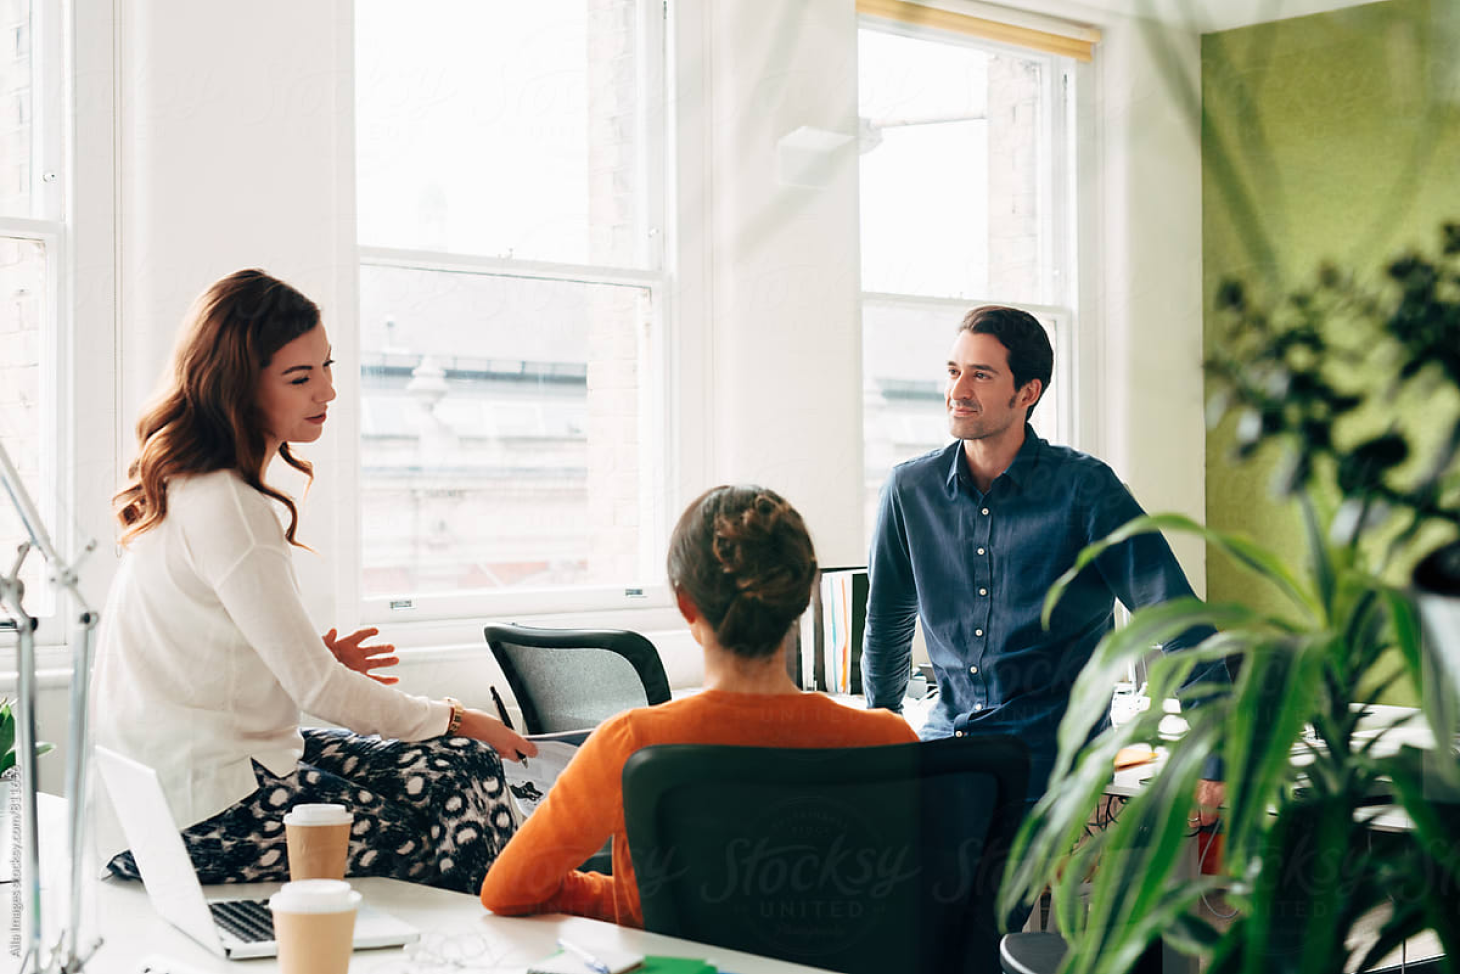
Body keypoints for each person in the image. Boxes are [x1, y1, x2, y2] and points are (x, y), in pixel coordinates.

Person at [92, 269, 537, 894]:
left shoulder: (189, 486)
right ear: (237, 388)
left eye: (326, 366)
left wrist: (306, 658)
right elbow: (320, 690)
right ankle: (497, 945)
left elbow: (202, 655)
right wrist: (459, 716)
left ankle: (515, 926)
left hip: (172, 795)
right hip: (197, 812)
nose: (327, 390)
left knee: (455, 769)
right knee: (454, 795)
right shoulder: (230, 505)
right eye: (300, 378)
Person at [479, 485, 918, 926]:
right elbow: (927, 891)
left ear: (686, 603)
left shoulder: (633, 742)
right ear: (805, 595)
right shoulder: (890, 739)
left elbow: (509, 890)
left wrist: (637, 903)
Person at [861, 305, 1226, 816]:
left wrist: (1216, 759)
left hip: (1054, 772)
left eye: (980, 375)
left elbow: (1175, 617)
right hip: (944, 759)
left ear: (1027, 392)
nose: (958, 390)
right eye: (953, 371)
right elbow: (887, 621)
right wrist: (880, 728)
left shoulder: (1085, 490)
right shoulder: (908, 490)